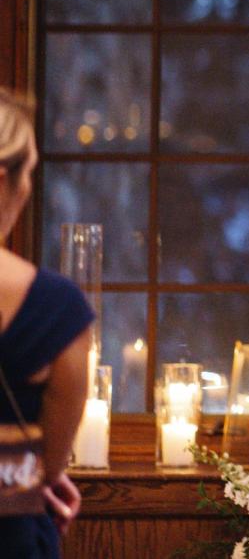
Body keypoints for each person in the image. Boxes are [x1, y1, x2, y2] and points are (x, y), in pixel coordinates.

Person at [0, 89, 93, 559]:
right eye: (30, 171)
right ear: (2, 180)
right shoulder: (56, 308)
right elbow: (50, 463)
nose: (29, 186)